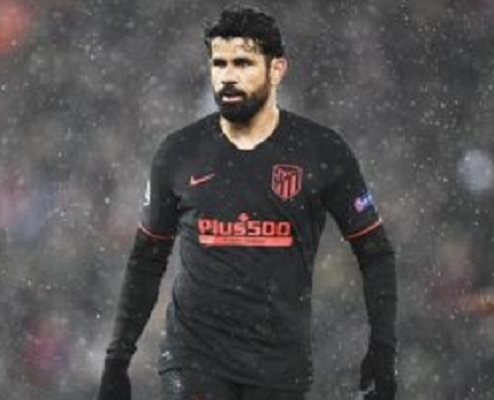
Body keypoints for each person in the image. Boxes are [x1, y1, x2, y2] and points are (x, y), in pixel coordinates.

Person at [97, 6, 397, 400]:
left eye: (243, 63)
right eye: (219, 63)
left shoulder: (321, 150)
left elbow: (374, 251)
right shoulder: (179, 152)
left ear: (277, 70)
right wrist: (117, 360)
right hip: (194, 359)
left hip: (279, 367)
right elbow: (147, 257)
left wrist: (382, 351)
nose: (228, 76)